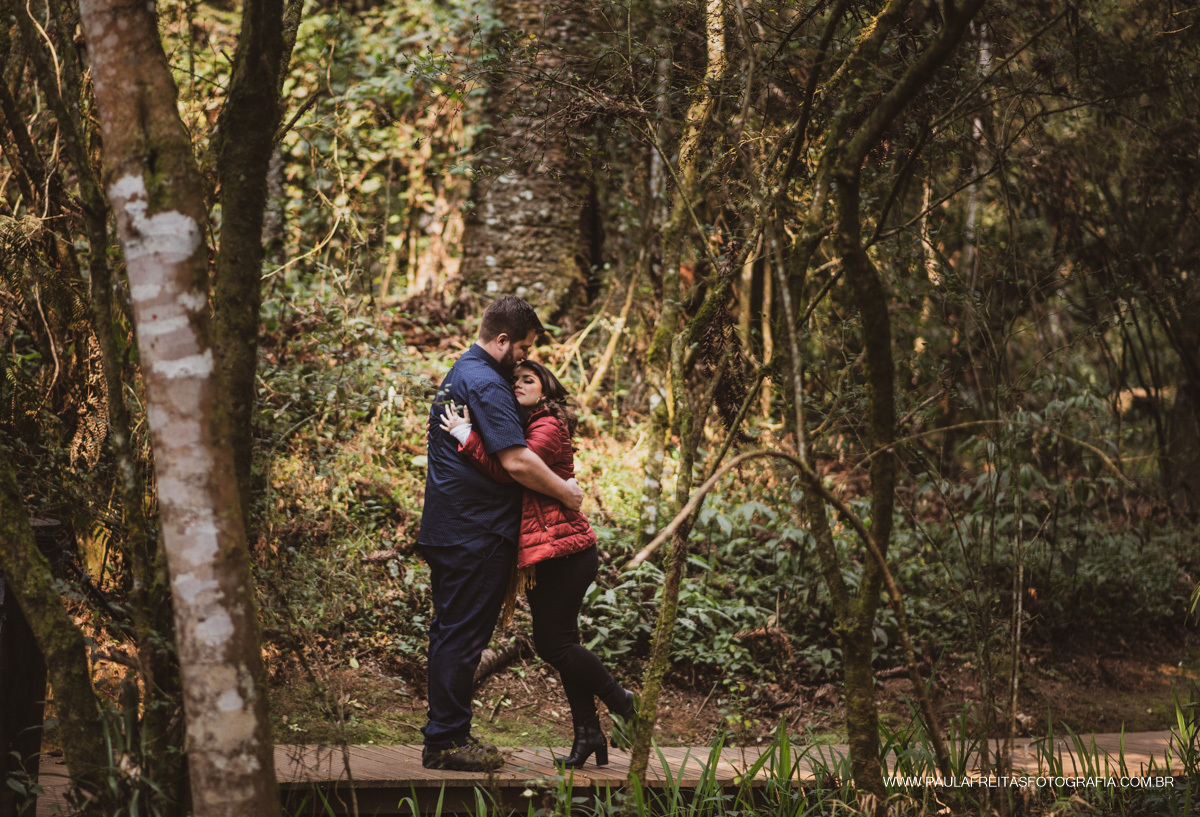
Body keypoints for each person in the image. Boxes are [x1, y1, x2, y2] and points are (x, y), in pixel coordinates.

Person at [439, 360, 636, 768]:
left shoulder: (546, 426)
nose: (518, 386)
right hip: (549, 554)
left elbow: (511, 469)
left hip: (567, 554)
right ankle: (588, 732)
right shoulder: (529, 424)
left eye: (528, 380)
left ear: (546, 389)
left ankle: (621, 699)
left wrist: (464, 433)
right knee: (563, 643)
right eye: (514, 381)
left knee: (555, 644)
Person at [418, 296, 584, 772]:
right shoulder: (487, 382)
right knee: (461, 636)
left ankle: (449, 730)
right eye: (523, 348)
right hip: (475, 532)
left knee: (452, 632)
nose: (524, 360)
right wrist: (568, 495)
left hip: (454, 529)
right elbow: (516, 461)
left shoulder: (461, 371)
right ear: (503, 340)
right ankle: (446, 742)